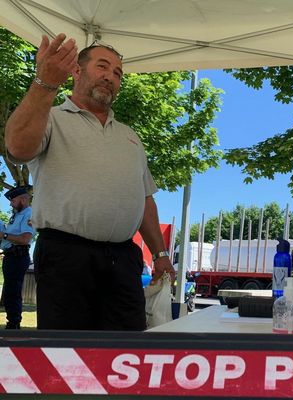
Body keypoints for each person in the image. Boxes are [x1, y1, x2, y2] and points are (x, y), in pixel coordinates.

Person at [4, 34, 176, 331]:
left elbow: (145, 198)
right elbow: (17, 148)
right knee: (67, 356)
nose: (111, 77)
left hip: (123, 259)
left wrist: (160, 254)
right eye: (103, 67)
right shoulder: (50, 117)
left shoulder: (130, 136)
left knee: (127, 356)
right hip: (65, 256)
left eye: (118, 73)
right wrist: (45, 82)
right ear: (77, 71)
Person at [0, 186, 35, 329]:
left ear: (23, 199)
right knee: (9, 290)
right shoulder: (17, 214)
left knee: (12, 290)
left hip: (18, 256)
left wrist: (4, 235)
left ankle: (14, 324)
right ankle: (12, 321)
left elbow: (25, 239)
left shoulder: (29, 214)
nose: (10, 204)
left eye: (12, 200)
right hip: (10, 256)